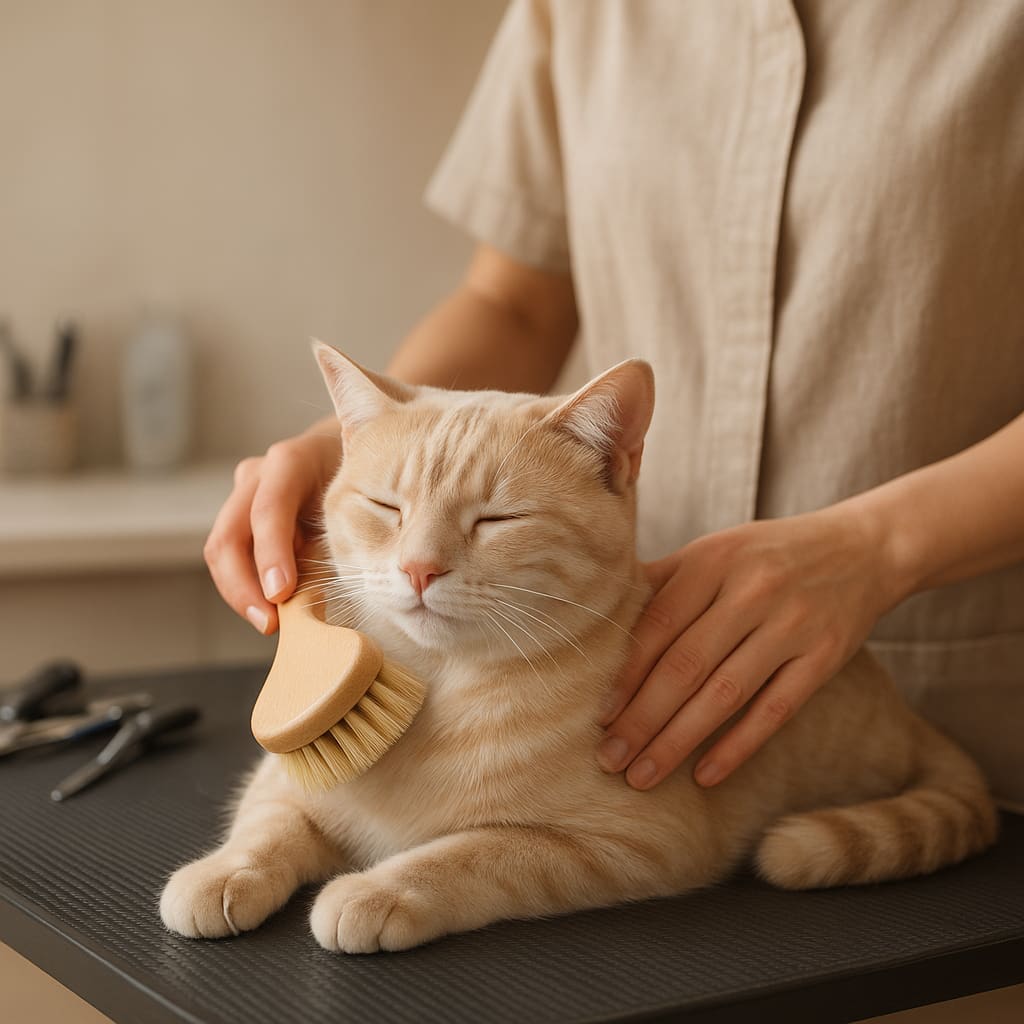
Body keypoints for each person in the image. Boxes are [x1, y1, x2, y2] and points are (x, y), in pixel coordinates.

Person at [204, 2, 1024, 807]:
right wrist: (368, 446)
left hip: (966, 717)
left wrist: (880, 547)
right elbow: (514, 303)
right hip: (617, 703)